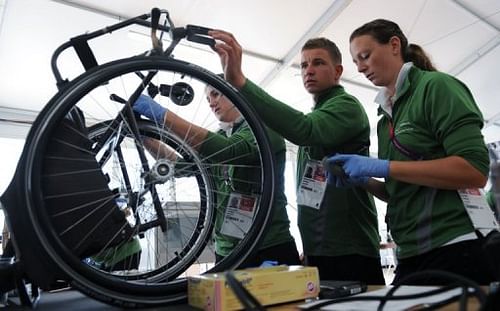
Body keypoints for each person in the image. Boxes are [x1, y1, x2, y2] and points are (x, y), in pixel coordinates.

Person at [326, 19, 496, 285]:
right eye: (356, 61)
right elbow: (401, 191)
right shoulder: (384, 119)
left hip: (455, 245)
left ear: (395, 45)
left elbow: (474, 171)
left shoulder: (436, 87)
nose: (359, 68)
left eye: (365, 56)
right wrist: (366, 182)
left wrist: (383, 167)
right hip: (411, 252)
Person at [208, 31, 384, 283]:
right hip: (318, 250)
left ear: (337, 71)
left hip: (349, 250)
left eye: (318, 63)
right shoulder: (318, 114)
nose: (308, 70)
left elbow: (304, 130)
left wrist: (240, 82)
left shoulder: (346, 107)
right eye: (303, 65)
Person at [132, 78, 301, 268]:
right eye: (207, 98)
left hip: (268, 245)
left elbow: (230, 151)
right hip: (226, 250)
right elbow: (181, 166)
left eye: (216, 94)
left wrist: (163, 116)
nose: (211, 102)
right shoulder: (221, 136)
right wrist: (145, 136)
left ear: (236, 92)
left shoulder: (265, 129)